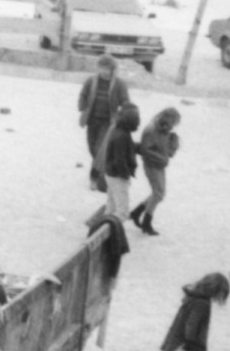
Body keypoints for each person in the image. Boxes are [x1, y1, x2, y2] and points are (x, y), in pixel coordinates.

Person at [77, 56, 130, 191]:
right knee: (91, 148)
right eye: (102, 68)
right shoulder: (91, 81)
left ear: (113, 70)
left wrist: (123, 114)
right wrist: (82, 106)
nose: (105, 72)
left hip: (108, 122)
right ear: (98, 68)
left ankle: (95, 178)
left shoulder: (119, 84)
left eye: (108, 69)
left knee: (99, 149)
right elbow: (83, 94)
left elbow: (125, 102)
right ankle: (105, 173)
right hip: (92, 120)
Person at [130, 107, 180, 237]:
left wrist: (171, 147)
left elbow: (163, 148)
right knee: (158, 194)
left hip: (159, 165)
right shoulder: (151, 130)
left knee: (159, 193)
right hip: (151, 165)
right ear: (167, 118)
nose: (173, 126)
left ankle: (136, 212)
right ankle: (146, 223)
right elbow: (145, 150)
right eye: (173, 122)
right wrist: (162, 158)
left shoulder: (163, 130)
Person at [96, 103, 141, 222]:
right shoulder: (122, 136)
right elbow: (119, 159)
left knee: (111, 208)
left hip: (110, 173)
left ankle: (101, 230)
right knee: (122, 212)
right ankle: (111, 233)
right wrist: (125, 174)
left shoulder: (118, 131)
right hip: (117, 176)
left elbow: (128, 147)